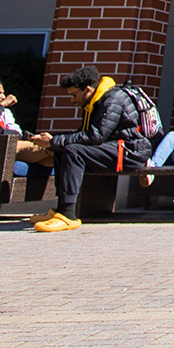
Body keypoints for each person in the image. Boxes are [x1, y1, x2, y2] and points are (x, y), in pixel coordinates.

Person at [25, 64, 151, 233]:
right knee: (62, 149)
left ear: (88, 89)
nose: (72, 100)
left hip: (131, 151)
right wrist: (53, 141)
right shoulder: (94, 101)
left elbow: (96, 135)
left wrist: (55, 140)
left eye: (74, 95)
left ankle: (69, 215)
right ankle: (61, 209)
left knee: (72, 151)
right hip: (113, 147)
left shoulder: (112, 99)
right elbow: (85, 134)